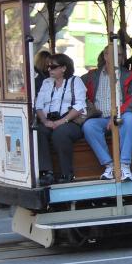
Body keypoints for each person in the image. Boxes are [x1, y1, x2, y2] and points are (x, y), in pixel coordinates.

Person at [81, 45, 132, 182]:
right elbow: (80, 95)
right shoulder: (91, 76)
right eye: (113, 54)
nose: (117, 57)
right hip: (100, 118)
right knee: (89, 126)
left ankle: (124, 165)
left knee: (131, 119)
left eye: (120, 55)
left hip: (122, 116)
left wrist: (117, 115)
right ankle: (109, 165)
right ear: (105, 56)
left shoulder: (129, 76)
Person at [33, 53, 86, 185]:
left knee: (60, 134)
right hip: (49, 119)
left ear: (63, 68)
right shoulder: (46, 83)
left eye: (53, 67)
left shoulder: (75, 81)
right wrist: (45, 121)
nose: (49, 69)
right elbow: (38, 105)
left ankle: (66, 174)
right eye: (48, 66)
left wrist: (62, 121)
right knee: (39, 130)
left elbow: (80, 105)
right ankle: (47, 172)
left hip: (70, 120)